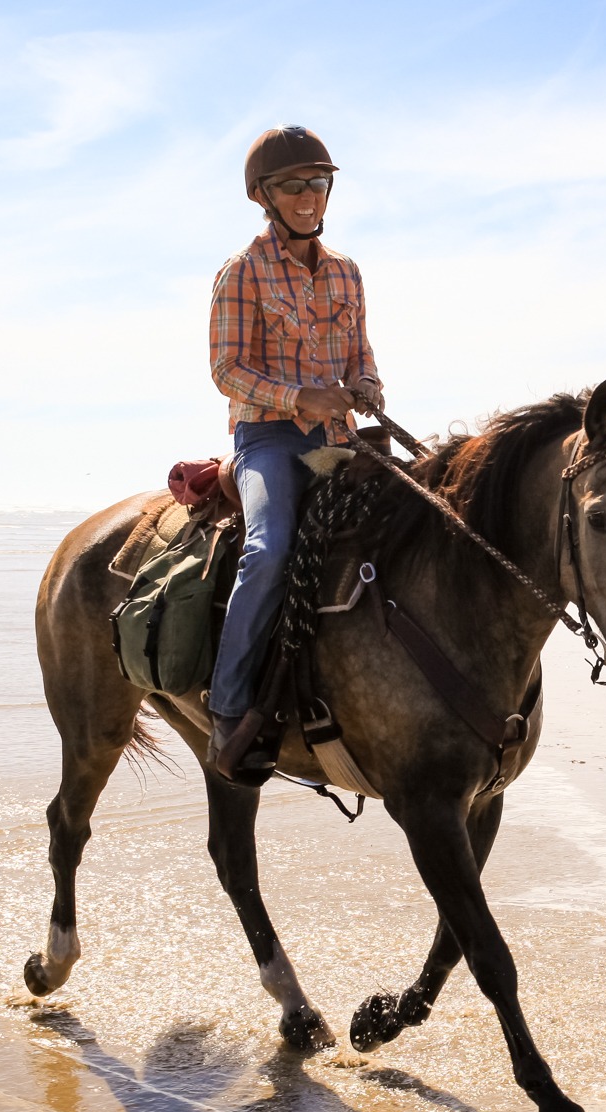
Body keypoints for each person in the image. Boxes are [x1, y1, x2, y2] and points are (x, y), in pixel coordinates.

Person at [205, 125, 383, 776]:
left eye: (318, 183)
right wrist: (300, 399)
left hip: (340, 435)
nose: (309, 197)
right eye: (293, 186)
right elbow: (226, 369)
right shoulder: (241, 271)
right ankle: (227, 704)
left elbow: (362, 354)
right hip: (269, 437)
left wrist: (365, 384)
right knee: (271, 546)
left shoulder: (347, 272)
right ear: (263, 196)